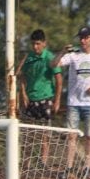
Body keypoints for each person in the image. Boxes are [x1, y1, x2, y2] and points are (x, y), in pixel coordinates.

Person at [51, 26, 90, 172]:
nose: (83, 40)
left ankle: (86, 167)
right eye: (81, 37)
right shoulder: (74, 54)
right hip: (74, 102)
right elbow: (53, 64)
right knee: (71, 136)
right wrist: (62, 52)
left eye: (86, 37)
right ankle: (69, 167)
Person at [19, 29, 63, 168]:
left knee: (45, 133)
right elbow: (22, 77)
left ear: (44, 43)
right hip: (31, 100)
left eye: (38, 44)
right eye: (33, 44)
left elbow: (59, 80)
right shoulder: (29, 58)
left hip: (45, 99)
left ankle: (43, 163)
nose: (35, 47)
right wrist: (24, 94)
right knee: (28, 134)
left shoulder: (50, 58)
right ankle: (26, 163)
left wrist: (57, 100)